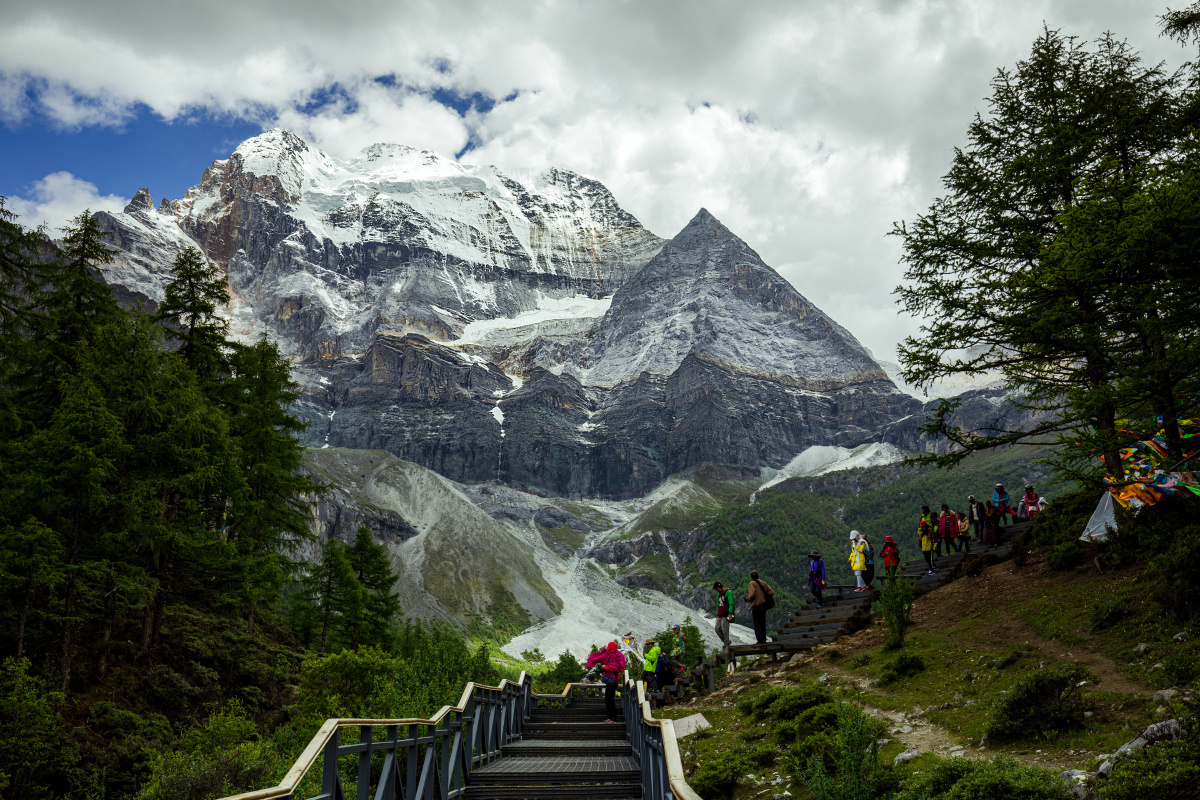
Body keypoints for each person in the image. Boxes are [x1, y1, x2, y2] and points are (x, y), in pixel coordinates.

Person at [585, 641, 626, 722]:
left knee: (609, 699)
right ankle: (611, 717)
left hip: (612, 680)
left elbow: (615, 668)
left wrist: (605, 667)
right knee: (609, 698)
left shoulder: (615, 655)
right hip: (613, 680)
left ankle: (612, 717)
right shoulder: (617, 654)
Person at [746, 570, 775, 644]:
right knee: (763, 623)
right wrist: (764, 597)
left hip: (756, 607)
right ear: (758, 576)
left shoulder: (751, 583)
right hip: (763, 606)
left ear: (751, 577)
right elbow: (771, 592)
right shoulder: (763, 583)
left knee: (757, 624)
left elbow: (752, 594)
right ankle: (764, 640)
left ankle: (760, 641)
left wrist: (748, 598)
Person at [713, 581, 735, 649]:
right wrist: (717, 612)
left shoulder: (728, 592)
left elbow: (731, 603)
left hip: (725, 614)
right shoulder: (719, 595)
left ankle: (726, 644)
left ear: (720, 587)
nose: (717, 591)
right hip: (719, 614)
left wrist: (730, 613)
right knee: (717, 628)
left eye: (717, 589)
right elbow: (718, 604)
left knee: (724, 628)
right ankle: (727, 641)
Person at [919, 505, 936, 573]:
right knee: (927, 559)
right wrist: (920, 533)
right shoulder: (922, 533)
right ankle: (931, 568)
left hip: (929, 546)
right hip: (924, 547)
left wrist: (935, 531)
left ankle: (931, 569)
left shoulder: (931, 516)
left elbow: (934, 539)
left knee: (930, 559)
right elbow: (921, 538)